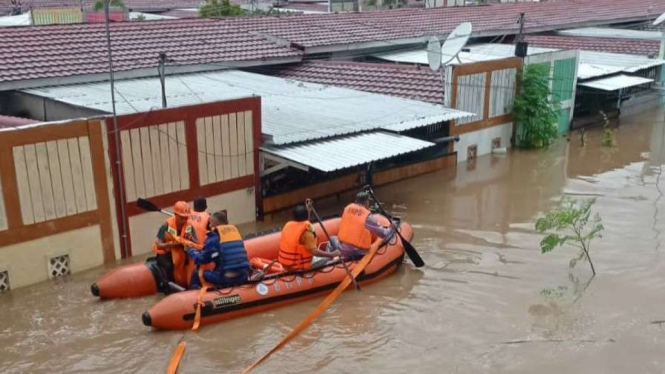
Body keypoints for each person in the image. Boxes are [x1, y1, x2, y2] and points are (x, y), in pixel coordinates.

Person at [188, 211, 251, 289]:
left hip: (226, 278)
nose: (210, 226)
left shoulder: (213, 237)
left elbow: (202, 259)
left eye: (210, 223)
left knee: (196, 274)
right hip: (243, 275)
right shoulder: (235, 233)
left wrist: (191, 250)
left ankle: (192, 296)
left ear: (213, 224)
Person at [279, 204, 341, 271]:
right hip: (298, 266)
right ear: (305, 216)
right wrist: (332, 254)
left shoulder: (288, 226)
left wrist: (308, 211)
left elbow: (303, 223)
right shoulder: (307, 233)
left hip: (286, 264)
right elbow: (315, 252)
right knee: (326, 259)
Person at [332, 191, 392, 260]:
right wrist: (390, 228)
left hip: (342, 247)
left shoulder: (347, 209)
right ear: (367, 203)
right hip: (358, 251)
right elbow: (383, 234)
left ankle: (329, 260)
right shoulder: (367, 216)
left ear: (356, 201)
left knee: (332, 239)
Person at [153, 201, 197, 288]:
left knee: (193, 261)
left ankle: (191, 283)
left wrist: (190, 240)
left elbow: (196, 243)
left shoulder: (189, 226)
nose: (184, 220)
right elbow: (159, 245)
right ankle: (170, 286)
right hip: (166, 252)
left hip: (180, 251)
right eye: (181, 218)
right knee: (169, 266)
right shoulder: (166, 226)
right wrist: (172, 244)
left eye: (186, 218)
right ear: (175, 215)